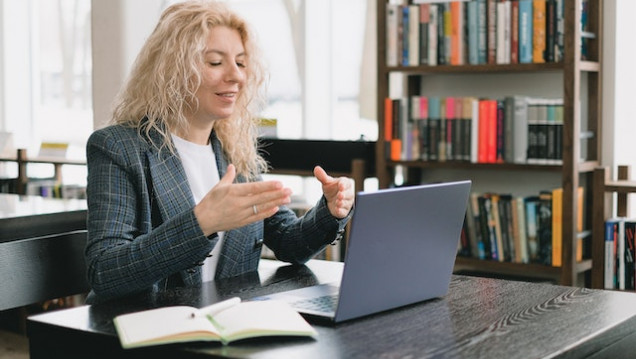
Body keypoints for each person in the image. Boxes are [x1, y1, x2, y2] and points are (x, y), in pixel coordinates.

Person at [85, 0, 354, 303]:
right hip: (146, 333)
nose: (237, 76)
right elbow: (105, 271)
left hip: (226, 331)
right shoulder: (117, 147)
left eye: (240, 62)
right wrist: (201, 223)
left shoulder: (234, 151)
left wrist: (330, 210)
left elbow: (289, 241)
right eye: (215, 62)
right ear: (173, 69)